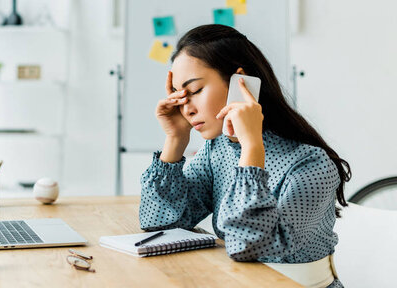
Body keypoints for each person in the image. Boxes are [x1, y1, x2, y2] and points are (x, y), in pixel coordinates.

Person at [139, 25, 351, 288]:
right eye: (180, 96)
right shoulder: (218, 150)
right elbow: (160, 222)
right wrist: (175, 140)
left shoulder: (311, 164)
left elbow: (246, 246)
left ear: (240, 83)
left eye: (194, 91)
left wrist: (252, 148)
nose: (187, 108)